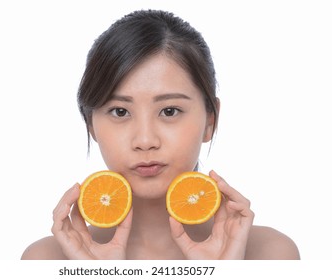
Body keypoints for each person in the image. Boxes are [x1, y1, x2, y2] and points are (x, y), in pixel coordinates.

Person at [21, 9, 300, 260]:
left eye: (169, 111)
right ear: (91, 124)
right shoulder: (47, 260)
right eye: (120, 112)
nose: (145, 141)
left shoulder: (270, 255)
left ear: (210, 120)